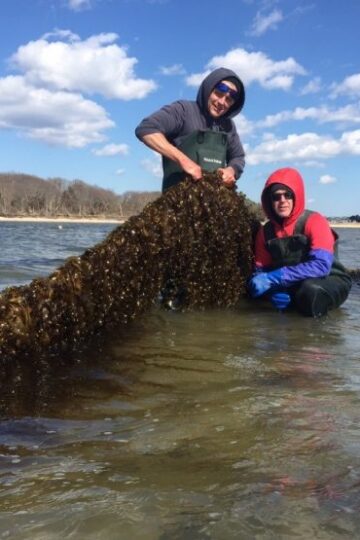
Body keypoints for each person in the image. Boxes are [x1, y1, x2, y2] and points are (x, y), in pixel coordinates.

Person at [248, 167, 352, 317]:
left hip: (330, 280)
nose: (282, 201)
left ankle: (313, 337)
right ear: (269, 201)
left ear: (296, 196)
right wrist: (272, 293)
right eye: (276, 197)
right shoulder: (264, 232)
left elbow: (321, 265)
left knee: (311, 291)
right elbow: (260, 272)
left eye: (287, 195)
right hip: (293, 284)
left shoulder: (315, 221)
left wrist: (276, 277)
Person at [135, 67, 245, 192]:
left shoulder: (228, 126)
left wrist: (231, 170)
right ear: (208, 90)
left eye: (228, 99)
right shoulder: (183, 110)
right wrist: (183, 161)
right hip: (177, 202)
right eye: (218, 94)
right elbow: (147, 129)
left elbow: (238, 157)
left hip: (212, 203)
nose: (222, 102)